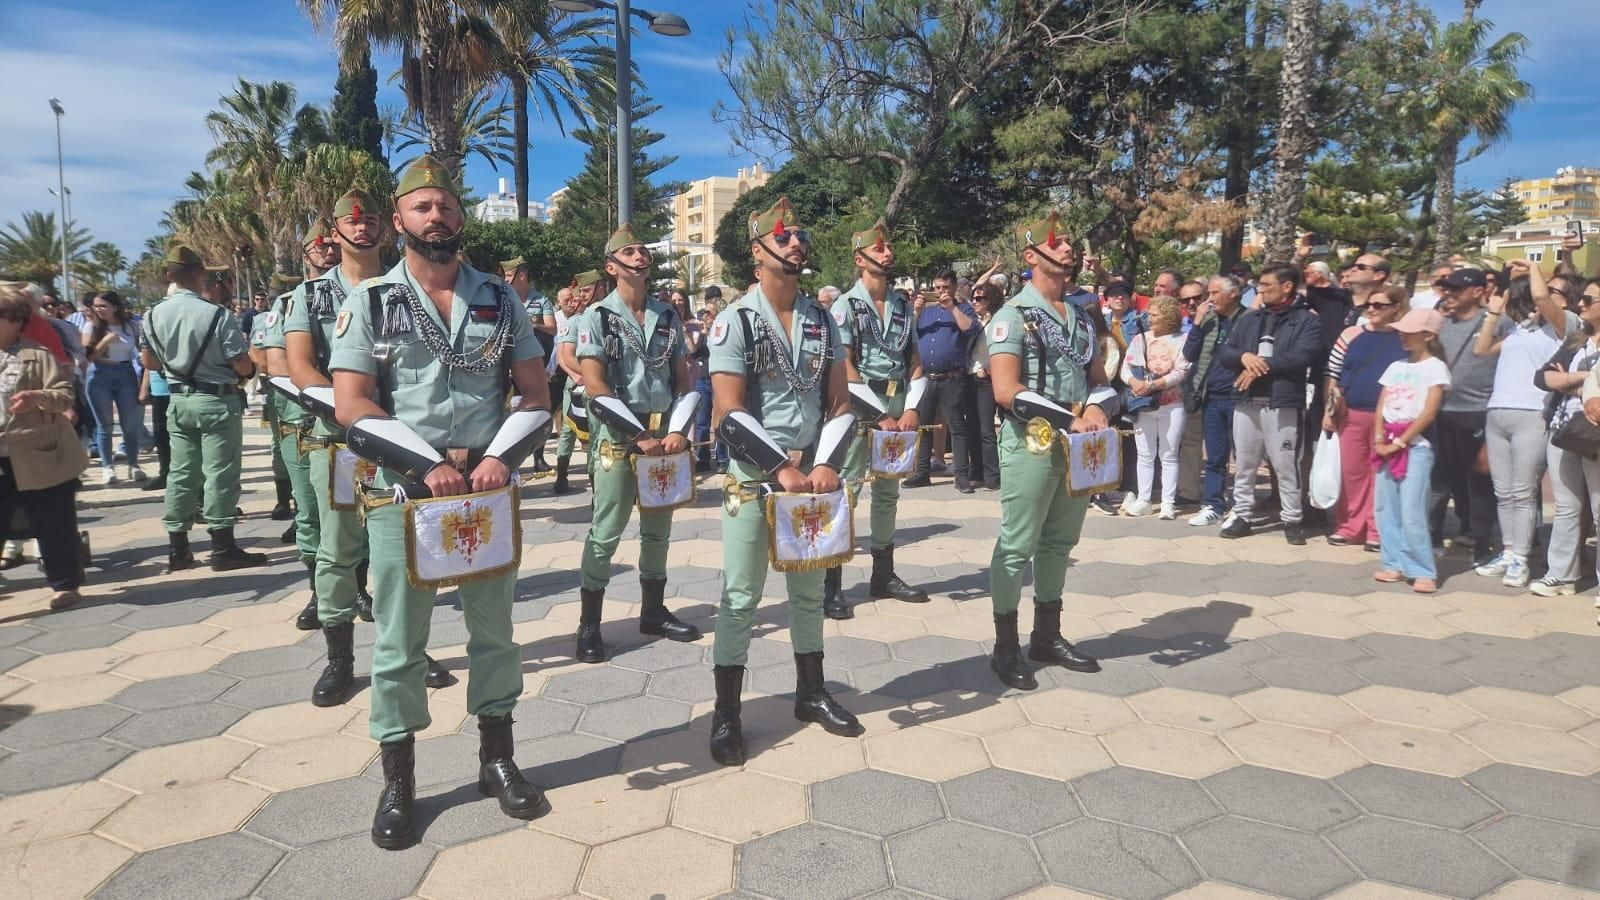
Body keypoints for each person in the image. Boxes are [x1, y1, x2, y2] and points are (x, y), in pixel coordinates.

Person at [330, 155, 553, 848]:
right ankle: (400, 781)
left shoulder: (499, 297)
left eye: (448, 207)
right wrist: (427, 465)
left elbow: (536, 393)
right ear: (398, 222)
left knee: (495, 634)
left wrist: (494, 459)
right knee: (400, 643)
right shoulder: (369, 302)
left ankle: (497, 758)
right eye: (423, 207)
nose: (439, 217)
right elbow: (351, 403)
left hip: (485, 489)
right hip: (405, 494)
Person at [705, 197, 862, 766]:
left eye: (799, 234)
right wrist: (783, 468)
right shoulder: (736, 320)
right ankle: (727, 714)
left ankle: (811, 693)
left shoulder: (823, 319)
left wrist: (822, 464)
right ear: (758, 252)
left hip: (812, 477)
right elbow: (727, 409)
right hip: (757, 479)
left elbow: (841, 400)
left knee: (808, 593)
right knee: (741, 597)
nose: (796, 242)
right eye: (783, 235)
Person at [286, 187, 453, 706]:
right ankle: (340, 659)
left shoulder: (412, 287)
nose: (362, 229)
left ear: (388, 226)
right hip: (343, 444)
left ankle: (408, 647)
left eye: (371, 220)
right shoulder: (308, 297)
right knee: (338, 550)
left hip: (409, 453)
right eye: (351, 223)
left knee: (404, 554)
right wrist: (353, 408)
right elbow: (297, 369)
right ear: (333, 232)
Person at [984, 212, 1113, 690]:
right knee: (1017, 545)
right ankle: (1004, 647)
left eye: (1069, 244)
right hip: (1032, 440)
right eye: (1056, 245)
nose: (1068, 250)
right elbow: (1005, 389)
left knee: (1060, 541)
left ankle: (1047, 635)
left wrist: (1099, 409)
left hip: (1077, 442)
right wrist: (1070, 418)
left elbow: (1098, 380)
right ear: (1032, 255)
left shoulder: (1079, 317)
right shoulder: (1011, 316)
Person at [571, 224, 703, 662]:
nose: (640, 255)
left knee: (658, 532)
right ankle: (589, 625)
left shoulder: (668, 316)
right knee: (605, 534)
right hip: (619, 441)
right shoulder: (597, 317)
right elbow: (595, 385)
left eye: (644, 250)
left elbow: (684, 381)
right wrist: (640, 435)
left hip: (664, 439)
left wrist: (679, 430)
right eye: (629, 251)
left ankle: (654, 611)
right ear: (612, 267)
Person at [140, 246, 267, 572]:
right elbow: (240, 363)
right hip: (216, 401)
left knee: (182, 474)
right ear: (201, 275)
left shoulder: (153, 314)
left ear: (169, 276)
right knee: (220, 474)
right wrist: (251, 372)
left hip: (178, 400)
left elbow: (149, 362)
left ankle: (178, 547)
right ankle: (222, 547)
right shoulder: (216, 314)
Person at [830, 219, 930, 619]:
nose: (888, 254)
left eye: (889, 249)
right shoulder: (846, 307)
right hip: (858, 408)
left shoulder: (904, 305)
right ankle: (831, 582)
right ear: (860, 259)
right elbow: (846, 367)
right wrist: (876, 414)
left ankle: (883, 574)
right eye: (879, 249)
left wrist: (910, 409)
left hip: (897, 404)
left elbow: (917, 362)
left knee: (888, 493)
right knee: (847, 491)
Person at [1473, 264, 1577, 588]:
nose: (1546, 296)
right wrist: (1493, 312)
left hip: (1532, 414)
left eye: (1555, 291)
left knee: (1523, 491)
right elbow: (1482, 350)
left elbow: (1540, 295)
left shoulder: (1564, 327)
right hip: (1498, 411)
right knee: (1503, 492)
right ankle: (1507, 552)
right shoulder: (1523, 328)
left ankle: (1521, 557)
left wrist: (1532, 266)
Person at [1215, 264, 1323, 544]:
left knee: (1286, 463)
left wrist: (1261, 365)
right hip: (1246, 401)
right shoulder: (1250, 319)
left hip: (1283, 402)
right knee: (1245, 463)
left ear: (1287, 286)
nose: (1260, 289)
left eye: (1266, 285)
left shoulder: (1306, 320)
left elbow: (1303, 356)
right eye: (1259, 285)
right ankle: (1242, 515)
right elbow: (1226, 351)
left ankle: (1292, 519)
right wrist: (1244, 359)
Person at [0, 283, 88, 610]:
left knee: (54, 522)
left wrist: (39, 398)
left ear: (16, 319)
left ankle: (64, 585)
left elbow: (64, 394)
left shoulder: (36, 355)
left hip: (38, 452)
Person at [260, 244, 324, 629]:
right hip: (303, 419)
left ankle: (364, 588)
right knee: (311, 506)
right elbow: (275, 365)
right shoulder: (286, 304)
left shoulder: (379, 292)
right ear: (307, 255)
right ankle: (321, 592)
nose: (329, 252)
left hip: (365, 419)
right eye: (321, 248)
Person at [1322, 286, 1409, 549]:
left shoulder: (1406, 337)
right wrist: (1329, 411)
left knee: (1383, 474)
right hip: (1352, 412)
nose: (1371, 309)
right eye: (1369, 304)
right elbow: (1333, 373)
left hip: (1392, 416)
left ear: (1397, 307)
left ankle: (1377, 530)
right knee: (1352, 472)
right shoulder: (1351, 335)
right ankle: (1349, 526)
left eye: (1379, 305)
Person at [1529, 277, 1600, 597]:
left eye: (1588, 299)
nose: (1580, 304)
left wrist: (1568, 380)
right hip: (1564, 428)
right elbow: (1542, 376)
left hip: (1595, 431)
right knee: (1566, 506)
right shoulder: (1578, 338)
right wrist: (1582, 378)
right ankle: (1561, 574)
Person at [1372, 309, 1451, 593]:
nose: (1403, 336)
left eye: (1410, 331)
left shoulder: (1435, 368)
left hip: (1416, 446)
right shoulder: (1395, 366)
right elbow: (1381, 406)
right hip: (1387, 444)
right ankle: (1392, 562)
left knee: (1412, 508)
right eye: (1401, 331)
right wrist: (1379, 439)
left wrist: (1401, 441)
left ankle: (1422, 568)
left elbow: (1428, 413)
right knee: (1385, 507)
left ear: (1428, 335)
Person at [905, 270, 978, 490]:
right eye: (937, 288)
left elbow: (971, 328)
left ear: (954, 287)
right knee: (924, 426)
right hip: (927, 377)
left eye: (945, 287)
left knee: (956, 426)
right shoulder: (927, 313)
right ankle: (922, 471)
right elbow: (909, 336)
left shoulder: (963, 308)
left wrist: (952, 308)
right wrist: (916, 312)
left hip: (952, 377)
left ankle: (961, 475)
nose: (940, 292)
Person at [1121, 295, 1192, 519]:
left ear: (1169, 316)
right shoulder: (1140, 339)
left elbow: (1182, 371)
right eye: (1149, 314)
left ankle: (1168, 503)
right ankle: (1143, 498)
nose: (1149, 318)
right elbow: (1126, 369)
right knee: (1145, 454)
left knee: (1169, 454)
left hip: (1172, 404)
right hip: (1144, 405)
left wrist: (1153, 385)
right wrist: (1135, 383)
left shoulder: (1182, 339)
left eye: (1154, 315)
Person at [1185, 276, 1247, 526]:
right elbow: (1189, 354)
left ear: (1233, 293)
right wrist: (1198, 323)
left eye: (1214, 293)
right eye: (1208, 293)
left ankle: (1241, 506)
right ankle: (1213, 504)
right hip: (1211, 396)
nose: (1209, 299)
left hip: (1240, 397)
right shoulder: (1209, 320)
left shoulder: (1249, 319)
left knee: (1243, 456)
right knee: (1215, 456)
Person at [82, 291, 144, 485]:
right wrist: (105, 341)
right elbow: (88, 356)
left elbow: (140, 350)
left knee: (130, 424)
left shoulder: (131, 325)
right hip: (100, 373)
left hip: (125, 372)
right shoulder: (91, 326)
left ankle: (134, 464)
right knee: (105, 424)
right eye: (96, 306)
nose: (98, 310)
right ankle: (107, 467)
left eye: (103, 306)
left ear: (115, 306)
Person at [502, 256, 558, 474]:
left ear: (521, 275)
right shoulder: (504, 299)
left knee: (537, 408)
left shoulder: (541, 300)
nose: (505, 280)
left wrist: (532, 324)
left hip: (535, 363)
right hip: (507, 363)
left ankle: (539, 456)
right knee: (508, 410)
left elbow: (552, 329)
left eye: (509, 275)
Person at [553, 271, 603, 495]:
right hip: (578, 385)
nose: (581, 296)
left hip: (603, 385)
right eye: (580, 291)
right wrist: (590, 373)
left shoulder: (606, 314)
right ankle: (561, 474)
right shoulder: (575, 321)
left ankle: (597, 480)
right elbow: (566, 356)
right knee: (568, 431)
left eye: (585, 290)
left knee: (598, 433)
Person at [966, 280, 1003, 491]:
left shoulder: (997, 321)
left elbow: (999, 350)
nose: (975, 302)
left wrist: (988, 369)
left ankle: (992, 476)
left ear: (991, 300)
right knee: (972, 427)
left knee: (987, 429)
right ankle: (976, 471)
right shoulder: (973, 320)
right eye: (974, 298)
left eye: (980, 298)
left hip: (986, 379)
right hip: (969, 375)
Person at [1174, 280, 1208, 504]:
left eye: (1197, 297)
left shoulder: (1216, 321)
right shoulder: (1179, 323)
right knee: (1189, 441)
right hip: (1188, 389)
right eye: (1186, 300)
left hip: (1214, 388)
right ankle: (1188, 491)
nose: (1192, 303)